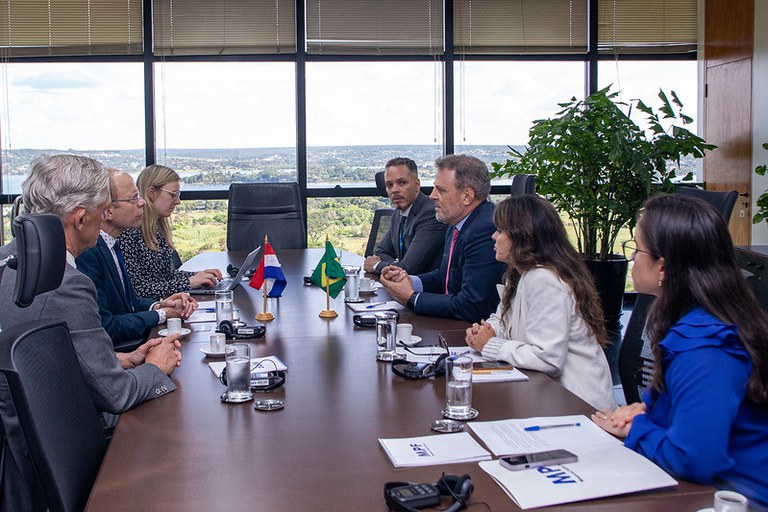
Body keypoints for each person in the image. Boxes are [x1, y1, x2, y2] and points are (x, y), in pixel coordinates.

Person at [591, 194, 768, 508]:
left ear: (663, 266)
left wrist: (639, 427)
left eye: (637, 248)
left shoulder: (706, 346)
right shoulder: (701, 321)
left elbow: (693, 459)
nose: (631, 259)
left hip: (733, 501)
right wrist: (649, 411)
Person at [0, 155, 182, 416]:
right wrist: (155, 367)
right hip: (74, 436)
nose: (104, 218)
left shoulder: (7, 260)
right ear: (80, 219)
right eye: (102, 210)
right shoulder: (67, 284)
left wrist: (122, 360)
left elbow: (45, 359)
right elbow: (117, 394)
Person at [464, 195, 616, 411]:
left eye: (500, 231)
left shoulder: (545, 279)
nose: (493, 236)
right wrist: (485, 331)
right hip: (546, 395)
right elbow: (502, 319)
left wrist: (490, 345)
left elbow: (548, 359)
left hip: (578, 405)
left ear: (521, 237)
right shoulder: (520, 273)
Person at [77, 168, 199, 347]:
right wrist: (162, 313)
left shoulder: (111, 243)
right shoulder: (89, 252)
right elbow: (107, 326)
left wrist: (159, 305)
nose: (142, 202)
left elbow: (130, 302)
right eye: (133, 198)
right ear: (108, 210)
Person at [380, 154, 506, 323]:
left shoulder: (484, 230)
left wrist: (411, 298)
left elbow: (471, 306)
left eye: (441, 190)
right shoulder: (456, 223)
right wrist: (409, 281)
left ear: (467, 196)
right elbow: (445, 277)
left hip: (472, 332)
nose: (432, 196)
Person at [119, 164, 222, 299]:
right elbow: (138, 290)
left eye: (178, 195)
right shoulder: (129, 231)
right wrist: (188, 282)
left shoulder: (157, 227)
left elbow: (167, 275)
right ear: (151, 193)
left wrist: (199, 276)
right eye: (173, 195)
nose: (178, 201)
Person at [363, 157, 446, 275]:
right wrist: (397, 265)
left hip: (427, 289)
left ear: (417, 185)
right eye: (389, 185)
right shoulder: (399, 213)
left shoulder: (431, 213)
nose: (394, 190)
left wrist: (377, 265)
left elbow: (408, 269)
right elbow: (382, 251)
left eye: (402, 183)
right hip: (403, 287)